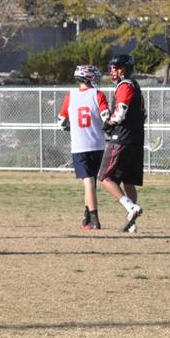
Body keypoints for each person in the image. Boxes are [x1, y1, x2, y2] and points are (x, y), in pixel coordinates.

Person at [98, 54, 147, 232]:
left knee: (105, 177)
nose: (112, 71)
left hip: (122, 139)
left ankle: (130, 207)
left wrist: (109, 123)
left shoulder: (125, 85)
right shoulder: (136, 86)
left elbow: (120, 114)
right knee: (128, 181)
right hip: (136, 139)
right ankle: (131, 224)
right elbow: (144, 115)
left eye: (116, 68)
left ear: (123, 69)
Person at [57, 64, 110, 230]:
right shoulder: (98, 94)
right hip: (98, 144)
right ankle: (87, 217)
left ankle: (94, 218)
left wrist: (73, 128)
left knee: (88, 181)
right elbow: (107, 118)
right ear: (89, 78)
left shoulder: (70, 96)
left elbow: (61, 122)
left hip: (80, 145)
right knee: (92, 182)